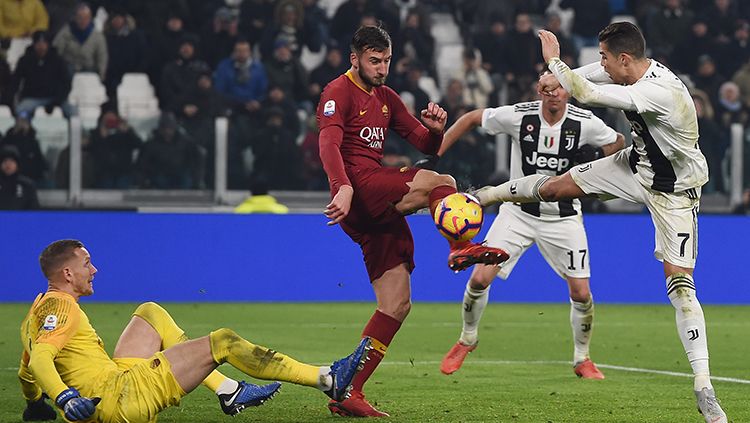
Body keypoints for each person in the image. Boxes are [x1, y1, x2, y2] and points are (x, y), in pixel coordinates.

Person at [474, 22, 727, 423]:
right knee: (558, 187)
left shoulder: (657, 91)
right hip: (635, 165)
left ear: (624, 59)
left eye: (606, 56)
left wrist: (555, 62)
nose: (601, 62)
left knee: (679, 285)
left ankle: (704, 386)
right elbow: (592, 74)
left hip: (675, 192)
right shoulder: (636, 68)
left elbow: (588, 91)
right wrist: (553, 77)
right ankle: (484, 196)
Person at [315, 25, 508, 417]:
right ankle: (459, 246)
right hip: (359, 187)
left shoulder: (386, 97)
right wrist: (342, 186)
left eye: (386, 60)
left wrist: (436, 130)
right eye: (374, 60)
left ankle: (350, 390)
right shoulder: (337, 92)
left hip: (372, 213)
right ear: (354, 58)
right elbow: (329, 143)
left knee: (397, 304)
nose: (382, 68)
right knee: (444, 182)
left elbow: (425, 144)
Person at [18, 239, 371, 422]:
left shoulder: (36, 312)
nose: (94, 269)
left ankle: (227, 390)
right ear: (67, 274)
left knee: (150, 312)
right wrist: (65, 399)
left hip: (109, 387)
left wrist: (37, 405)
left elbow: (28, 367)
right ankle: (328, 379)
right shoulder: (62, 307)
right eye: (86, 263)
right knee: (224, 341)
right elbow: (42, 360)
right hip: (118, 398)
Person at [434, 72, 625, 379]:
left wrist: (594, 154)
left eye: (559, 88)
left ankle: (582, 358)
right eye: (547, 88)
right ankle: (467, 339)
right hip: (517, 213)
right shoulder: (518, 116)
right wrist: (434, 155)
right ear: (539, 90)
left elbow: (618, 142)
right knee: (480, 278)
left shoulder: (584, 122)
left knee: (581, 293)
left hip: (563, 218)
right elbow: (471, 117)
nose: (553, 94)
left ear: (569, 91)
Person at [0, 145, 39, 210]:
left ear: (17, 164)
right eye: (5, 161)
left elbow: (34, 210)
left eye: (12, 161)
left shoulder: (27, 185)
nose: (8, 164)